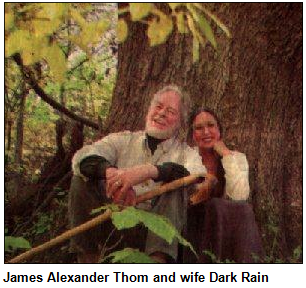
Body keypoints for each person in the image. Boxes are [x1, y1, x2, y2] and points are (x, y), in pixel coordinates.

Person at [68, 85, 206, 263]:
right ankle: (88, 265)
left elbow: (197, 175)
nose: (162, 113)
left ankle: (155, 269)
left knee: (175, 187)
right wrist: (113, 175)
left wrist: (148, 171)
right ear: (149, 109)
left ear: (180, 122)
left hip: (152, 236)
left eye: (171, 111)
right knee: (81, 180)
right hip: (114, 225)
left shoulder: (186, 153)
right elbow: (82, 159)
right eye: (158, 106)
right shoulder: (123, 140)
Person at [184, 108, 264, 263]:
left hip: (226, 225)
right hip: (194, 222)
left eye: (211, 125)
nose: (206, 132)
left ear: (219, 130)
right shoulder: (187, 157)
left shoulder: (236, 158)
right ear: (193, 135)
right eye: (199, 128)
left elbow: (240, 196)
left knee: (244, 209)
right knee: (214, 206)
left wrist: (226, 155)